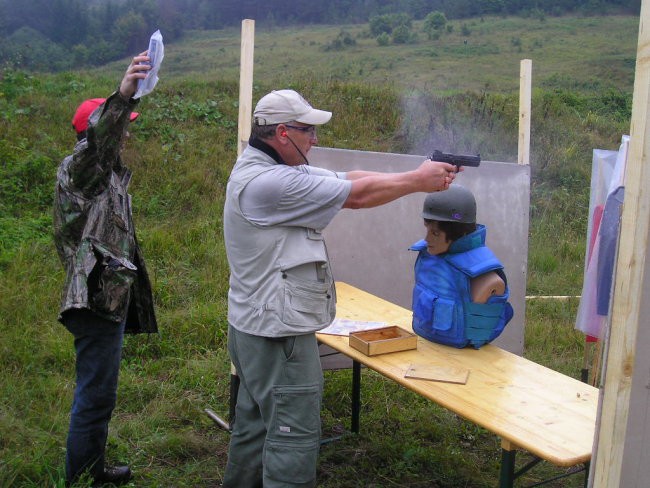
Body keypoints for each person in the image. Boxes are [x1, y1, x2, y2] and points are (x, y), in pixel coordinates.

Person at [222, 89, 458, 487]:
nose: (315, 139)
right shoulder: (270, 182)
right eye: (308, 130)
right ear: (282, 132)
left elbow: (349, 179)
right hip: (279, 337)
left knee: (255, 430)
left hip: (253, 329)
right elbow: (358, 197)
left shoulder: (266, 166)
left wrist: (419, 173)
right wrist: (418, 182)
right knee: (292, 441)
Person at [53, 52, 158, 486]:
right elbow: (101, 139)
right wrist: (123, 93)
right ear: (97, 129)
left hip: (102, 297)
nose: (128, 130)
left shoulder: (103, 172)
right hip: (94, 301)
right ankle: (83, 477)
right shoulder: (84, 167)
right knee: (95, 396)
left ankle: (91, 468)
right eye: (123, 122)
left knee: (100, 393)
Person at [410, 185, 513, 349]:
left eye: (435, 233)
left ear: (460, 234)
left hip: (464, 360)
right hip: (424, 343)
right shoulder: (427, 254)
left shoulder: (486, 277)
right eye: (427, 229)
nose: (427, 239)